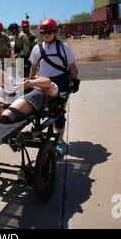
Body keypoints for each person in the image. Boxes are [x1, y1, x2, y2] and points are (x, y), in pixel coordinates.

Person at [29, 18, 80, 155]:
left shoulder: (64, 47)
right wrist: (30, 82)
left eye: (49, 32)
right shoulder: (37, 49)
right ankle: (49, 136)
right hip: (42, 83)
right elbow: (33, 68)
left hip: (61, 83)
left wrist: (75, 80)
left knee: (58, 113)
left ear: (55, 32)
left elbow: (72, 66)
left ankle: (58, 141)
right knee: (43, 111)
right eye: (43, 33)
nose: (46, 35)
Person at [0, 58, 58, 123]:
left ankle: (3, 111)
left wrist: (31, 83)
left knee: (7, 115)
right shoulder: (19, 80)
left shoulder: (45, 86)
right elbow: (5, 77)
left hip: (27, 97)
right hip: (10, 96)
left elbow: (48, 82)